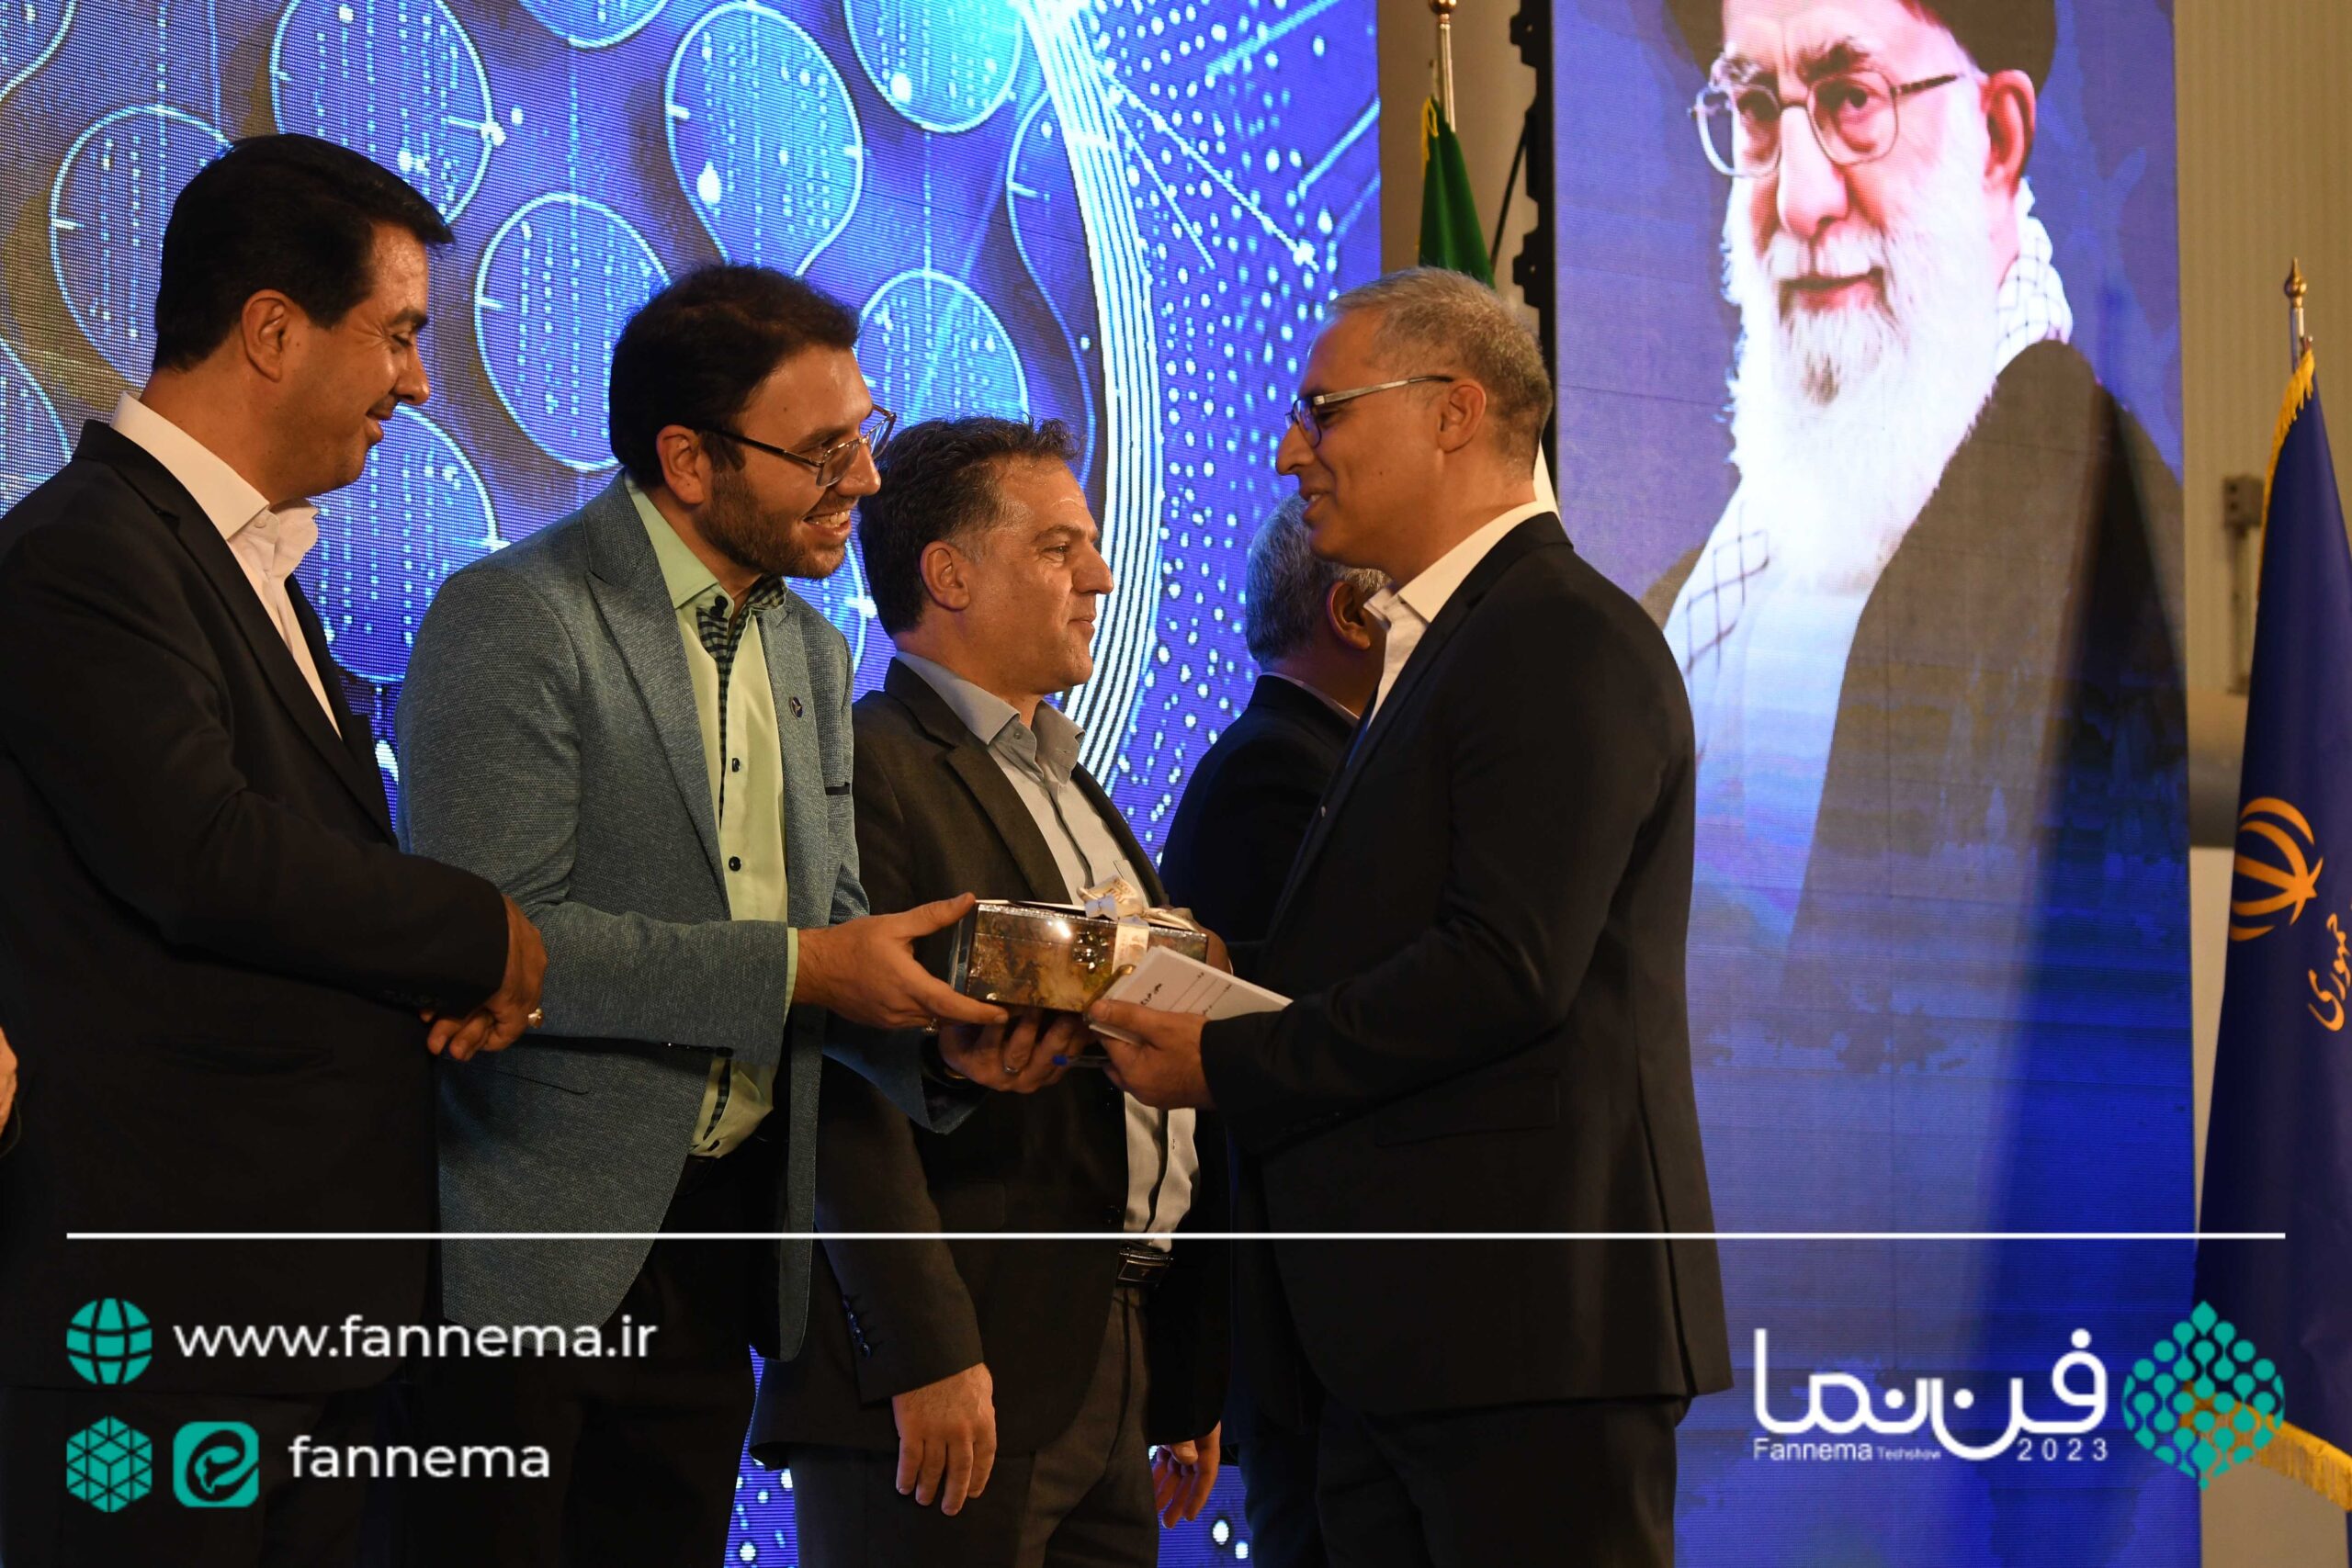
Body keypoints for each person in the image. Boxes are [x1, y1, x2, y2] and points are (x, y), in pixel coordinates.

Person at [1091, 268, 1731, 1568]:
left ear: (1453, 411)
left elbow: (1506, 966)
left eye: (1322, 410)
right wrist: (1218, 972)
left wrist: (1229, 1055)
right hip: (1420, 1343)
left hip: (1526, 1339)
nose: (1290, 451)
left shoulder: (1557, 635)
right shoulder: (1445, 645)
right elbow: (1400, 947)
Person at [393, 266, 1018, 1568]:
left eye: (866, 433)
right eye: (824, 452)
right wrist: (809, 967)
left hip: (719, 1254)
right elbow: (499, 943)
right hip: (531, 1259)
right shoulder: (517, 615)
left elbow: (831, 927)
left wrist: (940, 1038)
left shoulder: (809, 651)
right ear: (688, 460)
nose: (865, 479)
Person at [0, 134, 545, 1568]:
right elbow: (205, 852)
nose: (419, 383)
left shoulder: (242, 561)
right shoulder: (83, 550)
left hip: (283, 1327)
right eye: (399, 333)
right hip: (160, 1339)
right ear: (270, 329)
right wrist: (479, 932)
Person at [751, 415, 1227, 1568]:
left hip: (1107, 1351)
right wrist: (922, 1346)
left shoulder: (1071, 785)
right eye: (1059, 548)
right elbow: (835, 1076)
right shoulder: (864, 764)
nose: (1099, 578)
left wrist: (1177, 1359)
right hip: (952, 1364)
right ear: (949, 575)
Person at [1651, 0, 2183, 1025]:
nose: (1799, 198)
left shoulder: (2102, 550)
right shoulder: (1682, 612)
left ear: (1999, 138)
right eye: (1756, 110)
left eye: (1853, 100)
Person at [1157, 495, 1384, 1568]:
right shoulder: (1275, 771)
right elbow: (1296, 1026)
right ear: (1349, 613)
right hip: (1312, 1314)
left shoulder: (1317, 759)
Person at [1162, 494, 1384, 973]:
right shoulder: (1274, 765)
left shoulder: (1295, 748)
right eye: (1413, 596)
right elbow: (1321, 977)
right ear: (1352, 614)